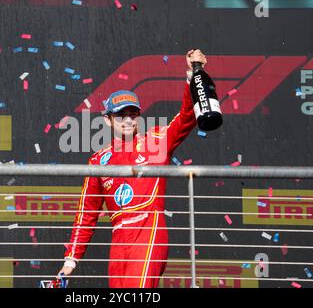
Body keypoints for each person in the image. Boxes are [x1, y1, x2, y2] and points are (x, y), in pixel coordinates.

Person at [58, 49, 207, 288]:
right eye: (120, 115)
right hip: (119, 239)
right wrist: (70, 261)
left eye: (132, 114)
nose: (128, 120)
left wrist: (194, 75)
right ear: (107, 119)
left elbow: (187, 118)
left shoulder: (156, 141)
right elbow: (86, 214)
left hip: (149, 230)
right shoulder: (98, 161)